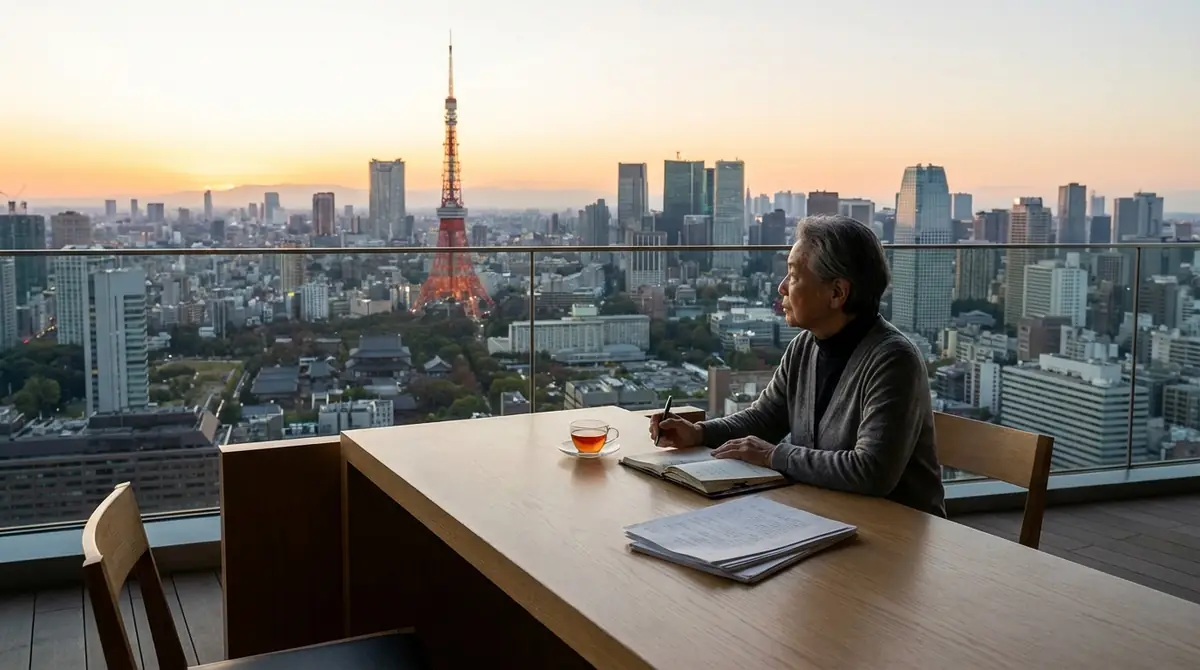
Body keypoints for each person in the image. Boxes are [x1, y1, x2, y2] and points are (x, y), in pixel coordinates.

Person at [651, 214, 945, 516]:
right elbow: (763, 420)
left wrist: (773, 456)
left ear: (837, 293)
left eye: (793, 275)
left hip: (897, 533)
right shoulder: (805, 347)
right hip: (828, 518)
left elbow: (871, 471)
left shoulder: (893, 360)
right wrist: (698, 433)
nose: (781, 287)